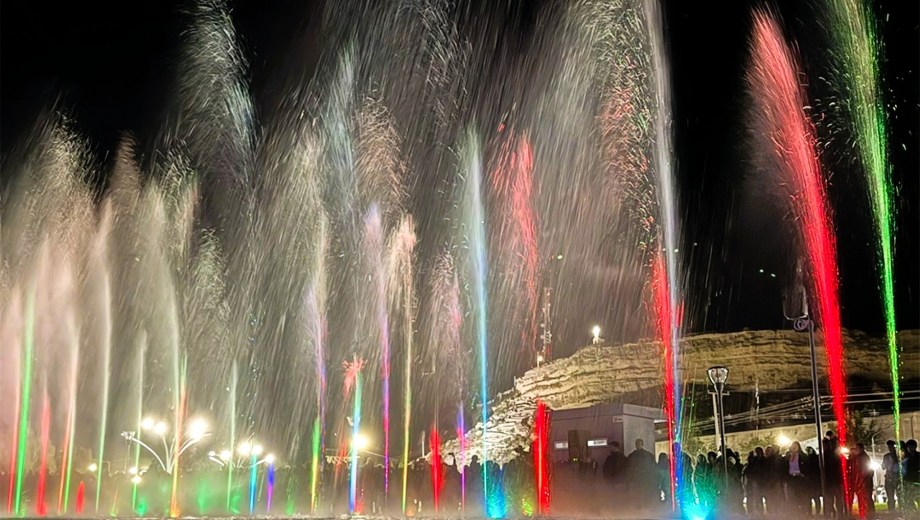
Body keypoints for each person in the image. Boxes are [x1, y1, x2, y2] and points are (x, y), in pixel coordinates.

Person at [627, 438, 657, 509]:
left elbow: (628, 468)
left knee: (639, 494)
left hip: (637, 478)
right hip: (644, 478)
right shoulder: (648, 455)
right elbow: (653, 467)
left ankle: (640, 508)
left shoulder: (632, 456)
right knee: (643, 494)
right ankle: (644, 508)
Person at [783, 441, 811, 515]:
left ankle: (803, 512)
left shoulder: (803, 456)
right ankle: (795, 513)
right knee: (792, 497)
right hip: (791, 478)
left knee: (801, 496)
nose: (794, 447)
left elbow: (808, 467)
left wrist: (804, 475)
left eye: (795, 446)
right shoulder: (788, 457)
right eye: (793, 446)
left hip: (800, 478)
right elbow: (784, 467)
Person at [847, 443, 874, 517]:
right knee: (862, 501)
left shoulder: (863, 458)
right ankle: (863, 515)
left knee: (864, 501)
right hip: (858, 482)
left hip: (862, 483)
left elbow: (864, 471)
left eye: (857, 449)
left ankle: (865, 516)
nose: (855, 450)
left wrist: (860, 481)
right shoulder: (855, 458)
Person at [744, 447, 767, 515]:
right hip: (755, 480)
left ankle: (758, 511)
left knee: (758, 497)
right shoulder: (755, 461)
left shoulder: (761, 461)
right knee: (755, 497)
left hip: (758, 481)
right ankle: (756, 511)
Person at [881, 439, 900, 512]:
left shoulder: (898, 455)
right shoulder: (886, 456)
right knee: (890, 495)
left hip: (896, 477)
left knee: (899, 494)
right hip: (888, 477)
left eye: (891, 446)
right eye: (889, 447)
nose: (890, 448)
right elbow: (883, 467)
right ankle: (891, 509)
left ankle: (900, 508)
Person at [903, 439, 919, 512]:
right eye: (908, 447)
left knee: (918, 497)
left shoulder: (918, 456)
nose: (910, 449)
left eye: (911, 447)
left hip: (917, 480)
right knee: (908, 498)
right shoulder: (905, 457)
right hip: (908, 480)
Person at [805, 446, 822, 515]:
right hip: (810, 481)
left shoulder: (814, 458)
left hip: (814, 480)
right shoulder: (808, 458)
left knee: (815, 497)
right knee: (811, 497)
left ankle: (814, 512)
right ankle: (811, 512)